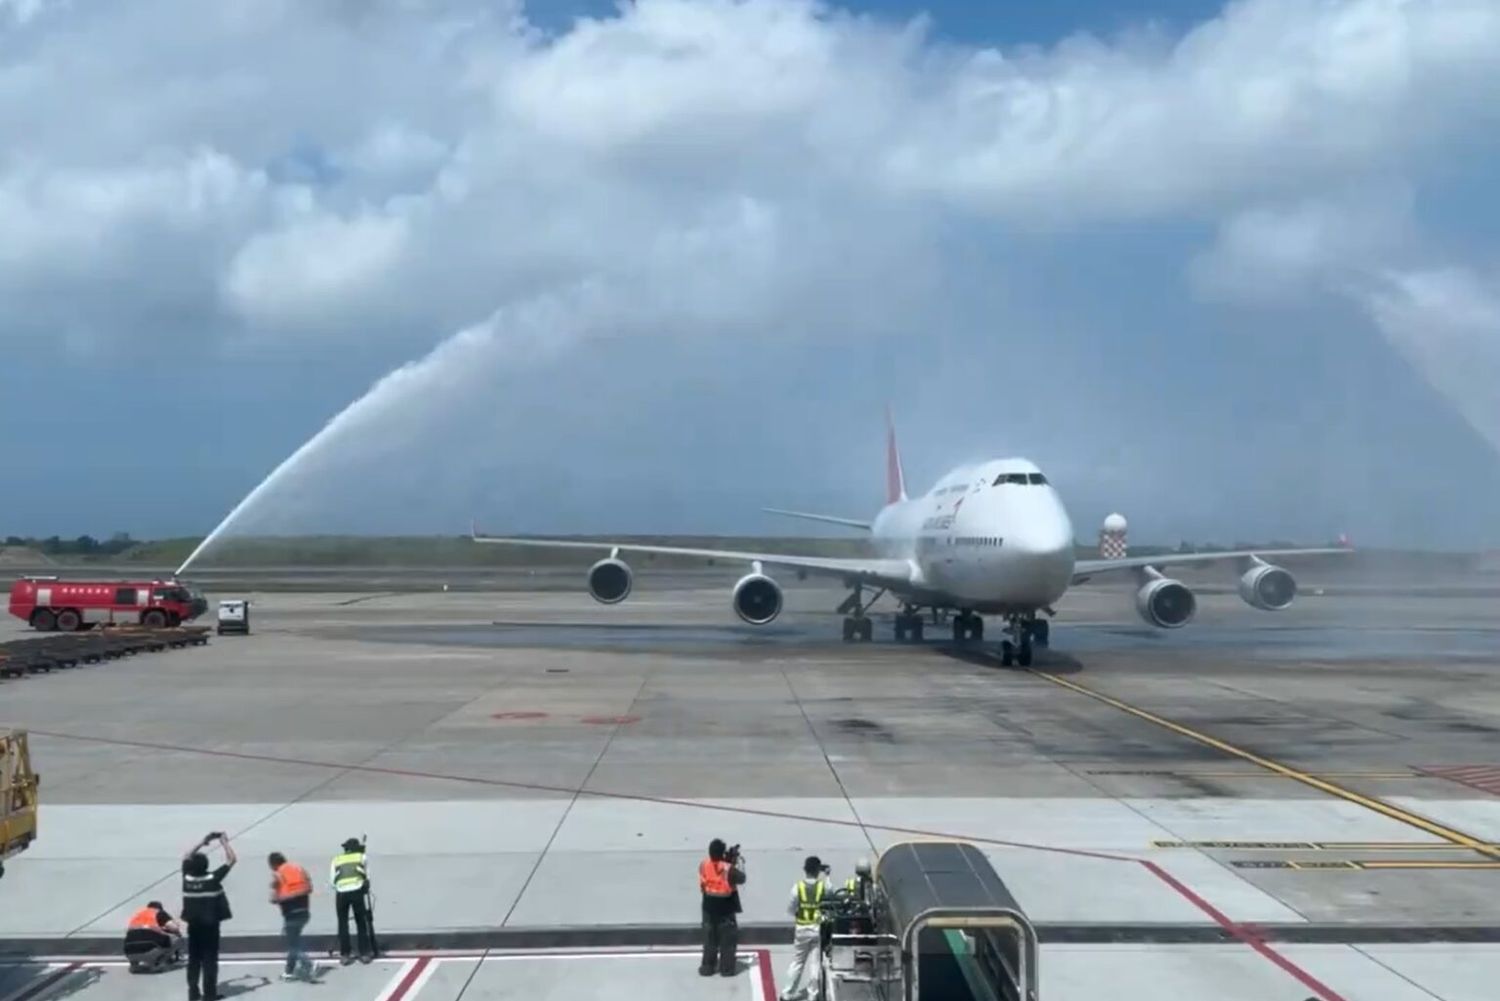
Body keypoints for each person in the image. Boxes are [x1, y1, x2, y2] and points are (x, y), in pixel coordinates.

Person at [181, 831, 236, 1001]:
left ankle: (193, 993)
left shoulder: (187, 878)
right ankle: (210, 994)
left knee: (194, 960)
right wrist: (224, 842)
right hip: (210, 927)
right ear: (206, 865)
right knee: (209, 961)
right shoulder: (213, 878)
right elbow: (231, 860)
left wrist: (203, 841)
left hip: (194, 927)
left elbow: (186, 857)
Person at [780, 855, 830, 1001]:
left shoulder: (798, 887)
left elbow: (790, 909)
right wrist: (827, 876)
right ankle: (812, 995)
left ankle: (787, 993)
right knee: (815, 964)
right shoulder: (823, 886)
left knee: (797, 962)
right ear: (817, 870)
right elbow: (831, 896)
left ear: (805, 870)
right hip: (817, 929)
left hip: (802, 928)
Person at [697, 838, 746, 978]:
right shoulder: (729, 869)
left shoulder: (703, 865)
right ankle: (726, 969)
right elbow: (742, 878)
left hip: (708, 908)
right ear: (722, 853)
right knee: (727, 941)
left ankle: (707, 967)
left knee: (709, 939)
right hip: (725, 910)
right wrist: (735, 863)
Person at [267, 852, 314, 981]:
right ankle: (289, 971)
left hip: (291, 913)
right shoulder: (299, 868)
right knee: (293, 942)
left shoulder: (277, 874)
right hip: (304, 912)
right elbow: (309, 888)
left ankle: (308, 964)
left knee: (292, 944)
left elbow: (273, 899)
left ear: (273, 864)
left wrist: (275, 890)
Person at [330, 837, 374, 964]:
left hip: (341, 893)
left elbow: (333, 881)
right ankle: (364, 953)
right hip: (357, 891)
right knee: (361, 922)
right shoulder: (361, 857)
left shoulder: (337, 859)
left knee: (342, 924)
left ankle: (345, 954)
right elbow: (367, 877)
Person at [123, 900, 184, 973]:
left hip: (129, 952)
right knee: (177, 938)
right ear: (160, 908)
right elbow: (174, 928)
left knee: (135, 938)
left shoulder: (137, 914)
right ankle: (158, 963)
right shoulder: (159, 912)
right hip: (149, 950)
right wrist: (175, 926)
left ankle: (134, 965)